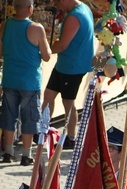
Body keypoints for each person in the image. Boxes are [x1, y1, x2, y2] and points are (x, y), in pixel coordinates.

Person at [0, 0, 51, 166]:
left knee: (9, 115)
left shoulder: (6, 25)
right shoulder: (36, 28)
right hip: (29, 81)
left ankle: (8, 152)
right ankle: (26, 155)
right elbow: (47, 56)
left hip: (10, 78)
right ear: (30, 8)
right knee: (30, 117)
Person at [43, 0, 94, 148]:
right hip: (66, 65)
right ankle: (43, 130)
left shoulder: (74, 17)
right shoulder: (84, 8)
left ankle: (71, 137)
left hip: (72, 67)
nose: (56, 4)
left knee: (68, 103)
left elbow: (63, 44)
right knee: (48, 95)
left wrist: (45, 51)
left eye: (57, 1)